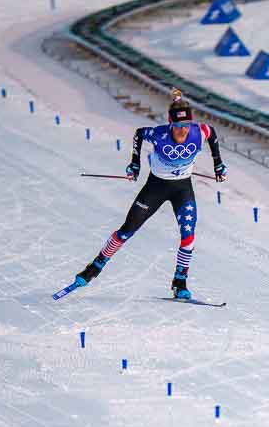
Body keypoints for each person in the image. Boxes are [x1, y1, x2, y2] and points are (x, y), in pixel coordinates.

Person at [72, 89, 227, 301]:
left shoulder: (199, 132)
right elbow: (139, 134)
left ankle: (179, 282)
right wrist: (135, 163)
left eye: (186, 126)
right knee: (126, 231)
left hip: (182, 188)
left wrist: (218, 163)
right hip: (155, 187)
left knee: (189, 236)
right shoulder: (159, 134)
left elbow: (212, 134)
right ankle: (94, 267)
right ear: (170, 125)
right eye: (178, 127)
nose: (183, 131)